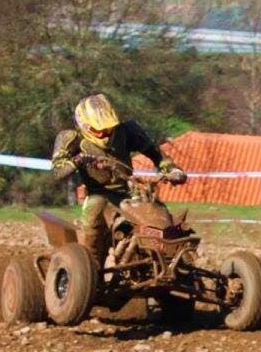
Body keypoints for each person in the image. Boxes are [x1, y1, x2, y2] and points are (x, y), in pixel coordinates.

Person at [51, 94, 187, 266]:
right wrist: (76, 161)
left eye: (109, 129)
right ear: (84, 125)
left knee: (161, 214)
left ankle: (176, 260)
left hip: (130, 190)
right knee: (93, 219)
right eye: (100, 131)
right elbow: (57, 171)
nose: (106, 134)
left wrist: (171, 169)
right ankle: (91, 267)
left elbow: (155, 153)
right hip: (99, 193)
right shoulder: (71, 137)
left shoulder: (126, 131)